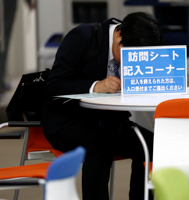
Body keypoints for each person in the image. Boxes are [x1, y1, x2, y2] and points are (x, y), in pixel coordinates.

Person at [41, 12, 163, 200]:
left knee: (152, 146)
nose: (129, 62)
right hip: (67, 120)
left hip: (109, 121)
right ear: (118, 34)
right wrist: (96, 86)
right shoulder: (83, 37)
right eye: (127, 54)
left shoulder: (137, 47)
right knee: (99, 146)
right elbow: (55, 86)